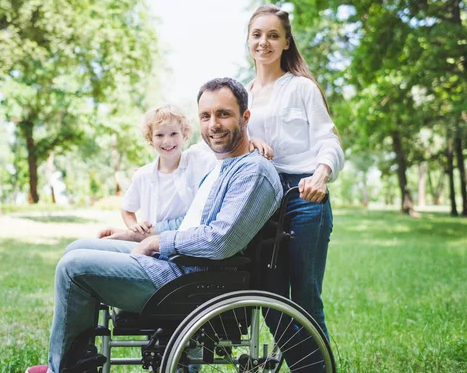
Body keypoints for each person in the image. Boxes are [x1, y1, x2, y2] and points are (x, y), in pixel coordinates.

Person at [25, 77, 283, 373]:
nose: (214, 124)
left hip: (191, 280)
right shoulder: (221, 166)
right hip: (177, 263)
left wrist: (158, 243)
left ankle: (65, 370)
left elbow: (220, 240)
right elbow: (186, 223)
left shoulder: (253, 173)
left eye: (223, 114)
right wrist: (136, 234)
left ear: (245, 117)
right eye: (206, 115)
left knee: (73, 268)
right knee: (76, 248)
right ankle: (77, 361)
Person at [244, 3, 344, 360]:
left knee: (304, 298)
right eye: (257, 35)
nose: (264, 42)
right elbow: (227, 143)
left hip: (304, 195)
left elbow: (328, 140)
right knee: (268, 296)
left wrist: (321, 173)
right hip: (260, 200)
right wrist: (250, 142)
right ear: (248, 41)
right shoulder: (243, 94)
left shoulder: (302, 88)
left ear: (286, 42)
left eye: (273, 35)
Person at [120, 104, 273, 235]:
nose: (167, 141)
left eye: (173, 133)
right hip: (151, 239)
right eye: (159, 135)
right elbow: (127, 208)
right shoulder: (143, 175)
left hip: (185, 239)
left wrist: (252, 142)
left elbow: (229, 151)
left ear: (184, 134)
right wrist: (133, 226)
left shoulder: (198, 159)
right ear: (150, 139)